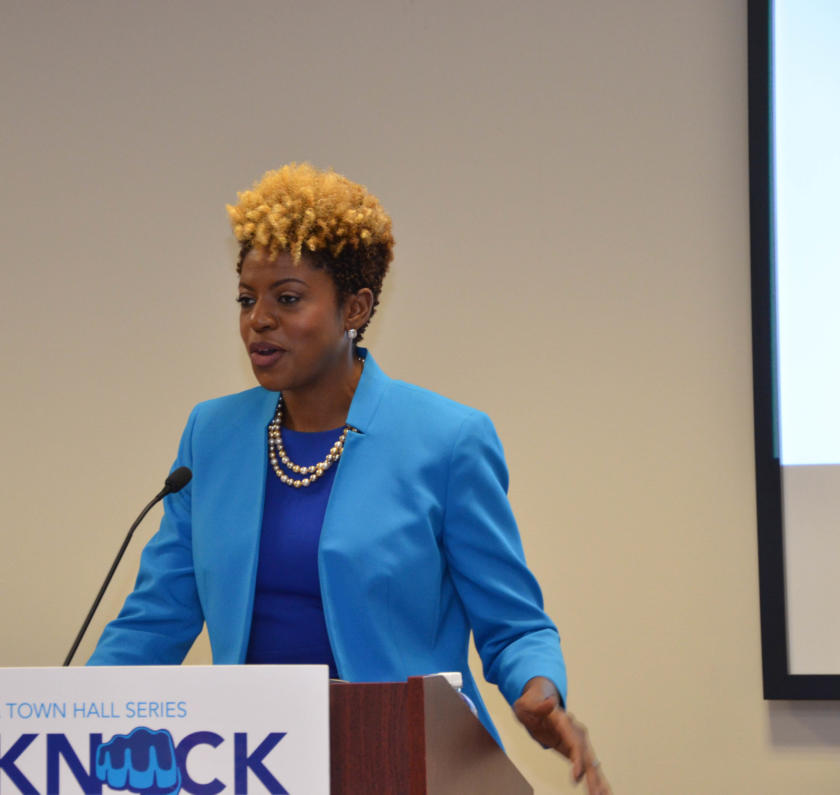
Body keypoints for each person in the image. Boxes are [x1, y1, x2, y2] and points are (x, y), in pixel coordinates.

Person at [89, 163, 609, 793]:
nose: (259, 320)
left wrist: (538, 688)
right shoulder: (213, 435)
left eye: (287, 299)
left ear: (354, 308)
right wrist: (71, 717)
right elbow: (155, 619)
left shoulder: (447, 439)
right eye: (247, 300)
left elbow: (515, 624)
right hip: (258, 765)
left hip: (410, 763)